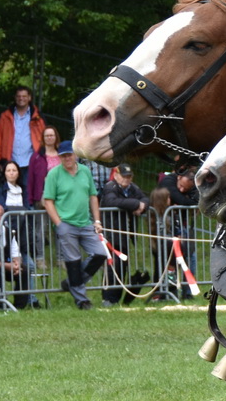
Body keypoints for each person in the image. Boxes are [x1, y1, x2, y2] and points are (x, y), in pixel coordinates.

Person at [42, 141, 107, 309]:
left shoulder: (85, 171)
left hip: (85, 223)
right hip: (66, 224)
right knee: (73, 261)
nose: (67, 158)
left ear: (75, 155)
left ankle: (72, 281)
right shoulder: (54, 174)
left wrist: (97, 221)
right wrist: (59, 223)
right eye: (63, 156)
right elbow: (48, 201)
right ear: (59, 157)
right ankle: (82, 300)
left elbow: (93, 196)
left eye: (69, 154)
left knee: (100, 254)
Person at [99, 163, 149, 304]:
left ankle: (116, 298)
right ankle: (108, 298)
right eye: (124, 176)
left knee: (122, 266)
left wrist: (142, 206)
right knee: (112, 266)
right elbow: (111, 201)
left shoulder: (133, 188)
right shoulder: (111, 187)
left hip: (125, 235)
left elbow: (145, 198)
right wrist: (135, 204)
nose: (126, 179)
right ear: (116, 175)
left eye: (129, 177)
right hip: (111, 234)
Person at [0, 86, 46, 193]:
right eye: (18, 96)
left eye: (24, 96)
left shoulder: (38, 117)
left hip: (30, 161)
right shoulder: (5, 116)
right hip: (10, 161)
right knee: (8, 191)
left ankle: (27, 209)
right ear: (15, 98)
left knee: (28, 192)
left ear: (29, 98)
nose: (21, 98)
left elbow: (44, 138)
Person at [25, 125, 64, 209]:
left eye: (51, 135)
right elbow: (31, 179)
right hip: (42, 196)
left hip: (61, 195)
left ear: (56, 137)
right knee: (42, 222)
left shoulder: (62, 155)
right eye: (47, 136)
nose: (49, 137)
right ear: (43, 138)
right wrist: (30, 200)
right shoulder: (36, 156)